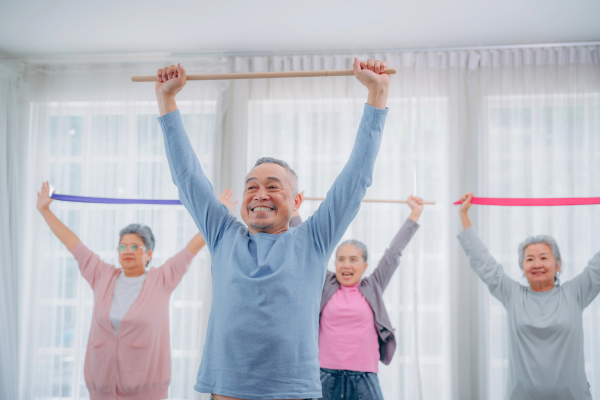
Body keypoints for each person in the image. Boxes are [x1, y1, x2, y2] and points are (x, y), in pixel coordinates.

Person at [155, 57, 391, 400]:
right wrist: (167, 100)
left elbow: (356, 179)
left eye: (273, 186)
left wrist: (377, 93)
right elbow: (187, 176)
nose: (260, 194)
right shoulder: (222, 235)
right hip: (228, 389)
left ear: (296, 202)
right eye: (251, 186)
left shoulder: (312, 239)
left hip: (291, 391)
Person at [36, 181, 237, 400]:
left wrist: (217, 214)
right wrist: (45, 211)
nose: (127, 251)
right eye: (122, 246)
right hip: (101, 388)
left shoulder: (162, 278)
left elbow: (192, 248)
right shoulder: (102, 275)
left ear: (149, 254)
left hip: (147, 391)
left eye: (135, 247)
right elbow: (74, 244)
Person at [457, 192, 600, 400]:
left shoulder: (575, 292)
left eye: (544, 257)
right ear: (522, 267)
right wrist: (464, 214)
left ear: (558, 264)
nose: (537, 264)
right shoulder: (513, 294)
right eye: (530, 259)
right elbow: (483, 262)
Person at [290, 195, 424, 400]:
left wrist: (415, 214)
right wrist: (293, 210)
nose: (346, 265)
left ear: (364, 266)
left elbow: (393, 253)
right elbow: (307, 248)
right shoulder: (325, 283)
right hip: (325, 375)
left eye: (353, 259)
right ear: (334, 264)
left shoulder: (374, 285)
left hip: (365, 376)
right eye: (341, 259)